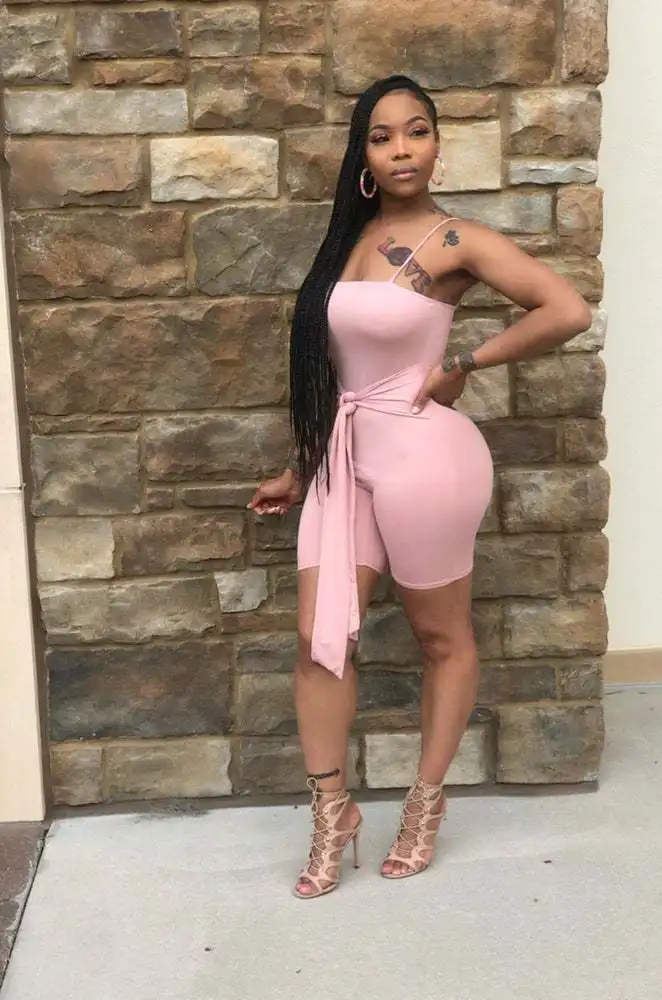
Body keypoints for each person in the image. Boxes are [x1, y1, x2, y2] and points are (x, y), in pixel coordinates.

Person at [248, 75, 592, 899]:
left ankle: (425, 805)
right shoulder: (346, 242)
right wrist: (301, 467)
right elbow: (336, 375)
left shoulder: (455, 241)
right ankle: (333, 812)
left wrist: (464, 362)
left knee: (442, 637)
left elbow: (565, 309)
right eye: (382, 137)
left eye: (417, 132)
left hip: (426, 458)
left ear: (438, 146)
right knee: (319, 639)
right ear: (363, 156)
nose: (401, 148)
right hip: (343, 456)